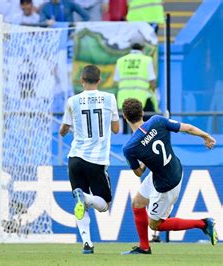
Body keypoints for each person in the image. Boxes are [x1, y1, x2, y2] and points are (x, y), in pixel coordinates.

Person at [121, 98, 217, 255]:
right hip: (171, 168)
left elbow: (138, 172)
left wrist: (145, 162)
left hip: (166, 183)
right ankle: (144, 247)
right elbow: (188, 128)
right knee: (137, 203)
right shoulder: (157, 121)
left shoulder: (129, 147)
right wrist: (205, 136)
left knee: (156, 225)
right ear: (143, 113)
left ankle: (203, 224)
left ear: (124, 116)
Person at [59, 65, 120, 254]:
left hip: (75, 158)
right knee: (103, 205)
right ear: (99, 80)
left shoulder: (72, 101)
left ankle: (87, 243)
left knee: (81, 205)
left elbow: (63, 130)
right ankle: (84, 197)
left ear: (82, 81)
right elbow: (116, 129)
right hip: (97, 160)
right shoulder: (110, 98)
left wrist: (67, 130)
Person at [114, 42, 158, 133]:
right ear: (142, 48)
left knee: (127, 127)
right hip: (143, 99)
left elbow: (116, 81)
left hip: (124, 100)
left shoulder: (121, 60)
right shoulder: (146, 60)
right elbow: (152, 81)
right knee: (147, 126)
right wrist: (153, 92)